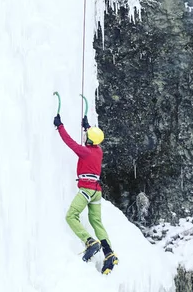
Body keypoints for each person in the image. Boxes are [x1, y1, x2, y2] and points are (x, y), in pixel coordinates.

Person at [53, 112, 119, 275]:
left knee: (71, 216)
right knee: (96, 221)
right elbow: (93, 138)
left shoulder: (85, 152)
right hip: (96, 191)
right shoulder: (98, 151)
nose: (85, 138)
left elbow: (70, 142)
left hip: (87, 190)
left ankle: (90, 242)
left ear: (89, 140)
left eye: (87, 136)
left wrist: (59, 126)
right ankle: (108, 252)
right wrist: (87, 126)